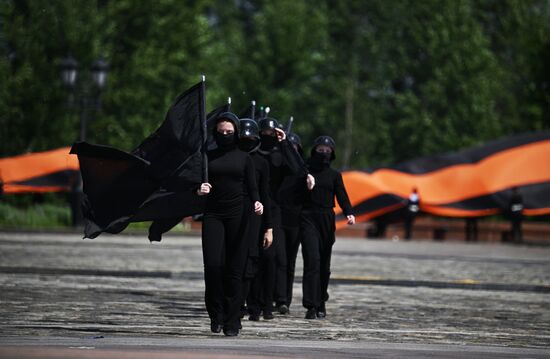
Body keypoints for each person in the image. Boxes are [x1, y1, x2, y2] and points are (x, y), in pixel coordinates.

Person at [196, 112, 263, 337]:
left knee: (235, 269)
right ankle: (216, 314)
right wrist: (199, 188)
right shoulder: (207, 156)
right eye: (221, 132)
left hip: (239, 215)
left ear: (236, 133)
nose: (225, 135)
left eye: (229, 132)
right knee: (214, 266)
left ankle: (232, 320)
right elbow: (193, 182)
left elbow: (253, 187)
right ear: (215, 132)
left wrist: (256, 202)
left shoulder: (245, 158)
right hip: (213, 214)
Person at [250, 117, 309, 320]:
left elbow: (299, 170)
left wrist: (284, 144)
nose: (268, 136)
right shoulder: (253, 151)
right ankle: (251, 301)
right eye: (264, 133)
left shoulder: (280, 153)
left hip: (273, 210)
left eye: (272, 133)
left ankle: (271, 302)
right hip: (251, 207)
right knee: (250, 257)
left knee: (273, 257)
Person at [301, 136, 355, 319]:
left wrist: (349, 212)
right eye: (320, 150)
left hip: (326, 218)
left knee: (324, 265)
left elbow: (342, 196)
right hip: (308, 217)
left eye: (327, 151)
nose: (323, 153)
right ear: (314, 151)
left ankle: (321, 300)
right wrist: (305, 183)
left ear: (332, 154)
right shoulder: (304, 171)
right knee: (312, 261)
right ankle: (310, 304)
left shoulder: (334, 175)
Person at [237, 118, 273, 321]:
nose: (247, 141)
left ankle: (253, 304)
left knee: (252, 260)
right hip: (233, 213)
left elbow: (265, 194)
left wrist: (269, 226)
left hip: (254, 216)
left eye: (251, 138)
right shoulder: (230, 158)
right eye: (244, 137)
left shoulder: (261, 163)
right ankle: (236, 302)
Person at [276, 132, 305, 313]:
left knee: (290, 260)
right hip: (278, 216)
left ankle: (285, 299)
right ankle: (277, 296)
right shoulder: (278, 165)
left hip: (295, 219)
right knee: (278, 258)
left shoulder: (303, 169)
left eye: (293, 148)